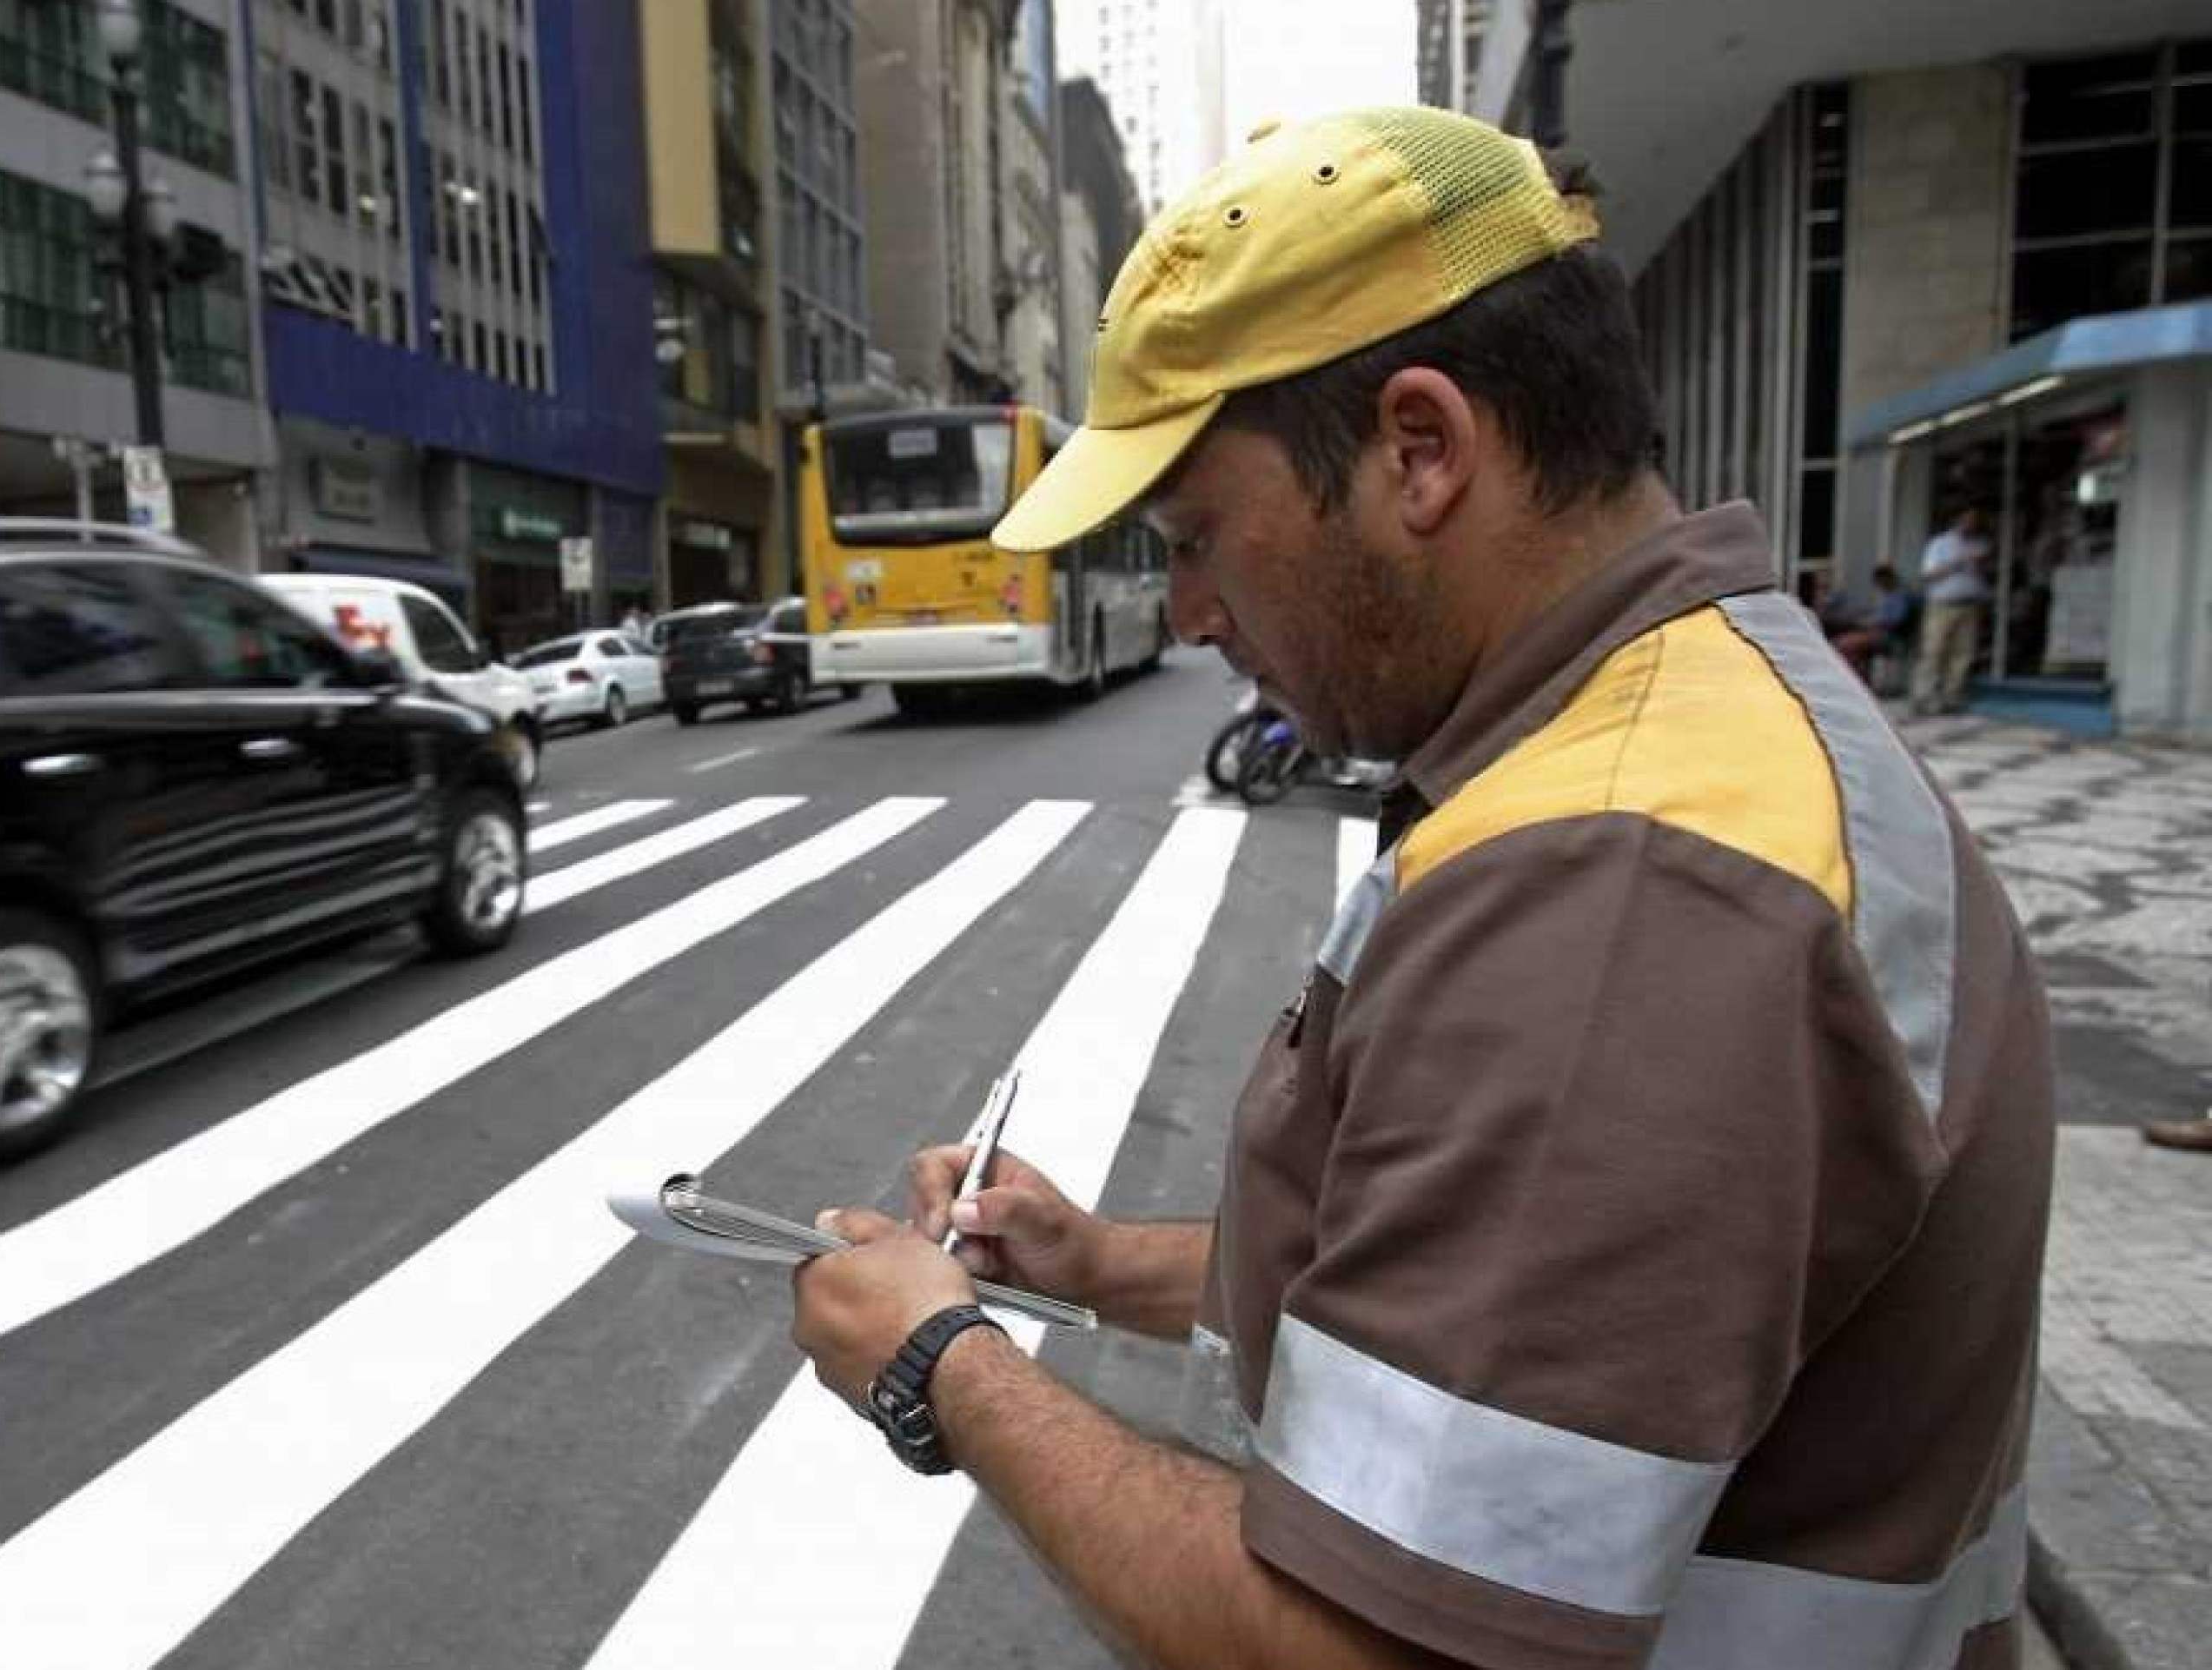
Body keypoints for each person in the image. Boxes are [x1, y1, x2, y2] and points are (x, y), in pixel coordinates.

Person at [787, 107, 2051, 1670]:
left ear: (1419, 449)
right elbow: (1496, 1295)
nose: (1185, 613)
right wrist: (1101, 1262)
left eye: (1195, 539)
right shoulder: (1682, 726)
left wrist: (942, 1366)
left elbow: (1359, 1646)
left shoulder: (1617, 884)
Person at [1917, 507, 1993, 714]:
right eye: (1968, 519)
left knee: (1963, 653)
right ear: (1958, 519)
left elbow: (1987, 575)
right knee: (1935, 650)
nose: (1972, 523)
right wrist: (1958, 563)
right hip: (1943, 604)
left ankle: (1953, 695)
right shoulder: (1940, 544)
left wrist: (1981, 565)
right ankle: (1926, 697)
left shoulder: (1981, 545)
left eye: (1975, 520)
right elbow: (1928, 574)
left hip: (1969, 604)